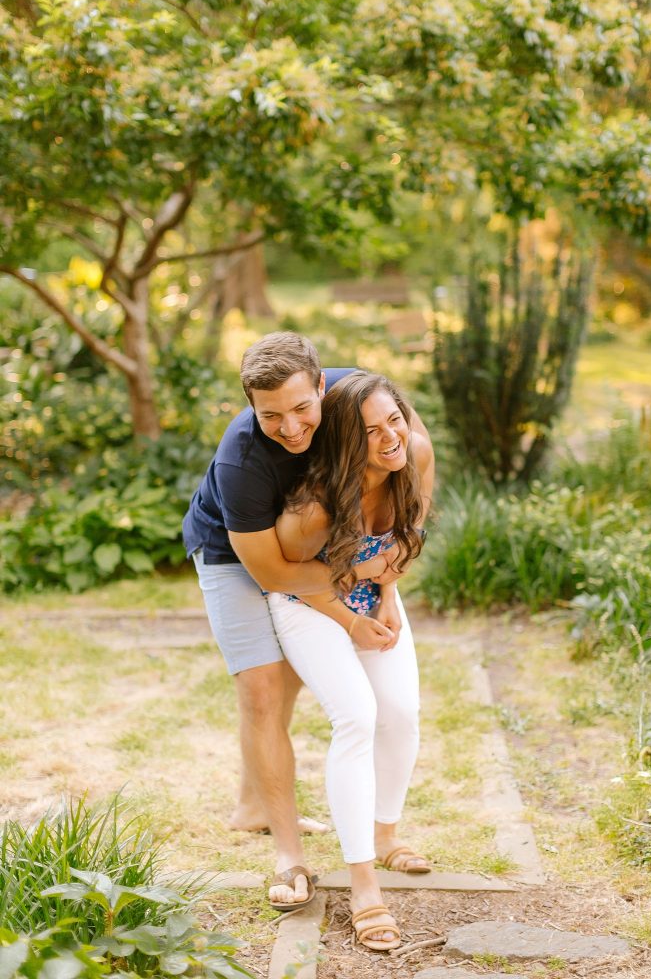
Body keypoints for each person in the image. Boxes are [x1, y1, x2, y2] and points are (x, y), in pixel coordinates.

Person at [182, 333, 433, 911]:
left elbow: (415, 450)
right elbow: (275, 572)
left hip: (326, 546)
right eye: (271, 416)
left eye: (301, 410)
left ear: (322, 385)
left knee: (302, 675)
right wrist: (355, 596)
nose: (292, 428)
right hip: (239, 551)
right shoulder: (240, 460)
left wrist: (387, 580)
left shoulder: (357, 395)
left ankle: (254, 800)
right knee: (264, 688)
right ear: (249, 404)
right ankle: (287, 855)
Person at [267, 370, 433, 951]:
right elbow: (289, 576)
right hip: (308, 603)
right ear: (344, 441)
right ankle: (364, 885)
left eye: (394, 419)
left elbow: (406, 535)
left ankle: (387, 834)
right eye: (369, 431)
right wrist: (350, 621)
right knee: (358, 716)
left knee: (402, 712)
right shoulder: (312, 508)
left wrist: (385, 597)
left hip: (370, 595)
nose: (389, 437)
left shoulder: (409, 456)